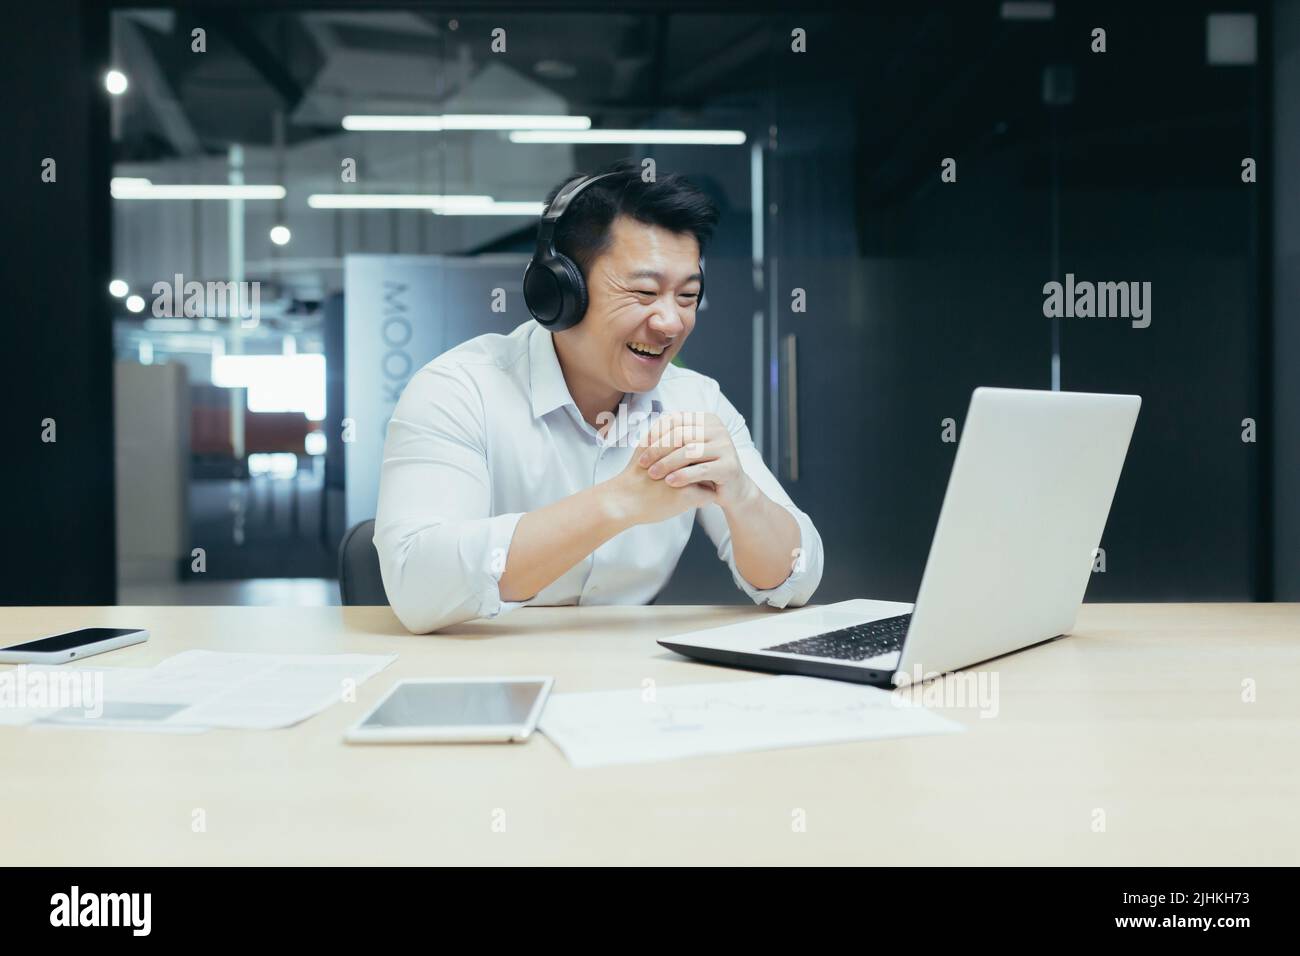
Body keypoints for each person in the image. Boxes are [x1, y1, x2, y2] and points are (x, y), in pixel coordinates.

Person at [374, 161, 823, 633]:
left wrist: (744, 498)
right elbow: (415, 585)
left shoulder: (697, 401)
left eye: (687, 297)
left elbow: (798, 576)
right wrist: (617, 503)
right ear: (560, 289)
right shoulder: (459, 391)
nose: (670, 322)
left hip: (630, 681)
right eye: (644, 291)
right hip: (484, 683)